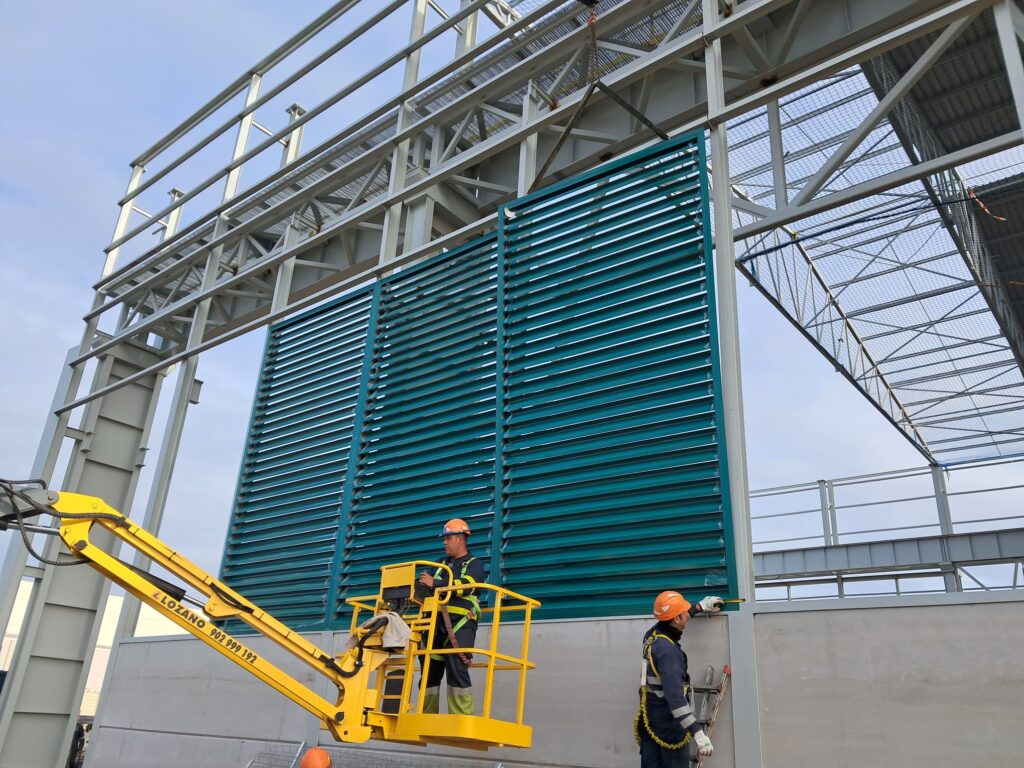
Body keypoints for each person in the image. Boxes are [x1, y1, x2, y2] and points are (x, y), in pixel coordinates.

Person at [635, 591, 724, 767]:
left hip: (649, 722)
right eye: (683, 612)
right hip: (669, 726)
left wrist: (698, 607)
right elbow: (675, 700)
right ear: (676, 619)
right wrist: (697, 733)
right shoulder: (669, 653)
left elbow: (670, 619)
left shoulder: (651, 636)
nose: (686, 613)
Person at [416, 517, 485, 715]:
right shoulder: (439, 564)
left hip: (460, 626)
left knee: (457, 670)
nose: (444, 542)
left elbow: (469, 584)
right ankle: (426, 716)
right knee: (429, 672)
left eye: (448, 538)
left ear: (461, 539)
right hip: (433, 625)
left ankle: (460, 719)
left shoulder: (474, 564)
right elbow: (424, 584)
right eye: (444, 539)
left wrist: (436, 584)